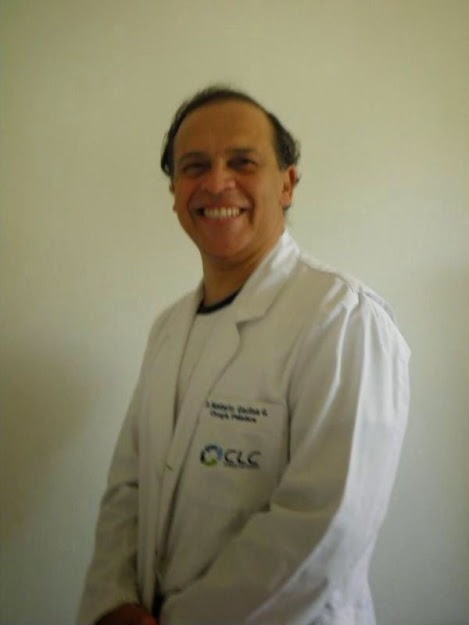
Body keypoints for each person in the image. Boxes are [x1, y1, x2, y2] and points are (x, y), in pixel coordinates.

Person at [77, 85, 410, 625]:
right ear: (175, 191)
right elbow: (128, 488)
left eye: (242, 162)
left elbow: (326, 527)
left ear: (287, 183)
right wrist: (112, 600)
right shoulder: (168, 329)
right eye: (194, 166)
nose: (216, 182)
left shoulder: (343, 319)